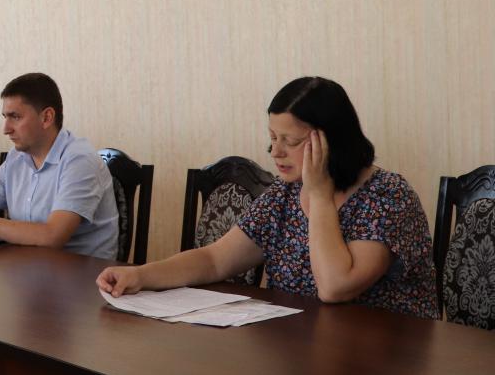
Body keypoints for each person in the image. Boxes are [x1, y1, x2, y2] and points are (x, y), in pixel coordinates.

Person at [96, 77, 439, 319]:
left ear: (331, 141)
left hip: (385, 361)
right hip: (304, 348)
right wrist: (140, 276)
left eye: (291, 141)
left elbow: (335, 287)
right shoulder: (285, 193)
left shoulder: (388, 195)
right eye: (273, 137)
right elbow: (215, 260)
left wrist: (319, 196)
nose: (276, 151)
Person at [0, 73, 119, 257]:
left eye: (15, 117)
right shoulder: (16, 158)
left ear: (47, 118)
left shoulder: (80, 160)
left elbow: (52, 236)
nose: (6, 129)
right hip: (27, 266)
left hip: (83, 272)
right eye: (5, 117)